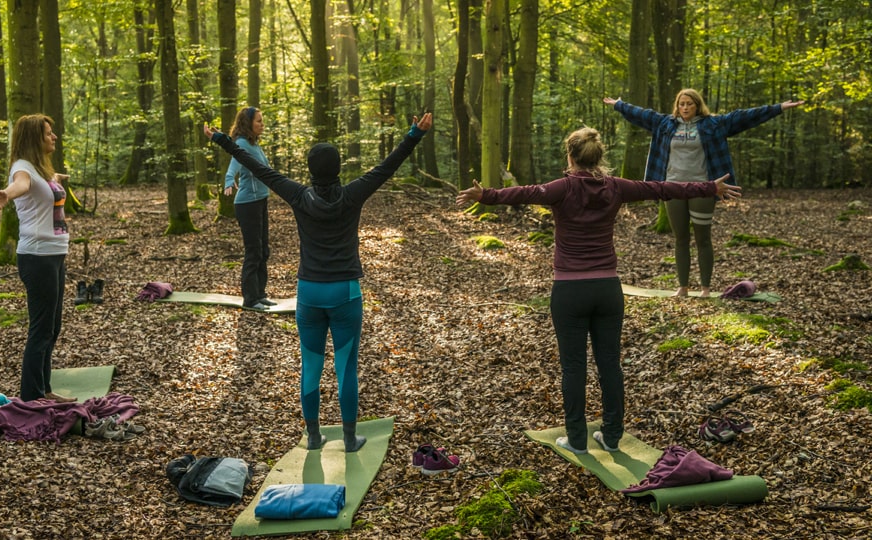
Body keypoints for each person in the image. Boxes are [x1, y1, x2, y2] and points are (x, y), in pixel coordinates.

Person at [456, 127, 741, 454]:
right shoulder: (616, 187)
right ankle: (611, 436)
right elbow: (661, 188)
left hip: (570, 291)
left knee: (573, 367)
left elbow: (525, 193)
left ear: (571, 156)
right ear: (598, 157)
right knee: (609, 363)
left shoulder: (561, 188)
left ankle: (577, 440)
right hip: (608, 289)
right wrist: (709, 186)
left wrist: (485, 196)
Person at [205, 113, 433, 452]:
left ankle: (313, 436)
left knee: (310, 366)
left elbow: (253, 164)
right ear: (338, 168)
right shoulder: (354, 193)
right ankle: (350, 437)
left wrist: (222, 139)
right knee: (346, 369)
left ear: (311, 170)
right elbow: (388, 166)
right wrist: (414, 134)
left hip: (308, 293)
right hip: (345, 294)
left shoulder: (297, 195)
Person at [604, 91, 803, 297]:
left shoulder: (713, 125)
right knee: (680, 238)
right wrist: (619, 104)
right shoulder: (665, 124)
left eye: (689, 104)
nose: (685, 107)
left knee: (703, 239)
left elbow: (745, 117)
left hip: (703, 188)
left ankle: (705, 288)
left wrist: (778, 107)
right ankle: (682, 287)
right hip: (672, 188)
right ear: (677, 106)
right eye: (681, 104)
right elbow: (640, 114)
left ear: (697, 105)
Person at [0, 114, 76, 403]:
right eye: (49, 133)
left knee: (53, 327)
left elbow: (40, 186)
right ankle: (31, 397)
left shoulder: (39, 169)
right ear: (34, 138)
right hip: (37, 257)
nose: (54, 137)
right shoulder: (22, 169)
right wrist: (5, 195)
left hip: (54, 255)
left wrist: (56, 179)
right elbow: (21, 185)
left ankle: (44, 389)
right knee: (41, 329)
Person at [224, 106, 275, 310]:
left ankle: (259, 294)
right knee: (253, 251)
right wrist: (229, 180)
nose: (262, 125)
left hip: (260, 200)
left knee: (263, 250)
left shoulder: (255, 144)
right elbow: (234, 164)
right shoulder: (242, 144)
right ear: (248, 123)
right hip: (247, 204)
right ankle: (250, 299)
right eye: (259, 121)